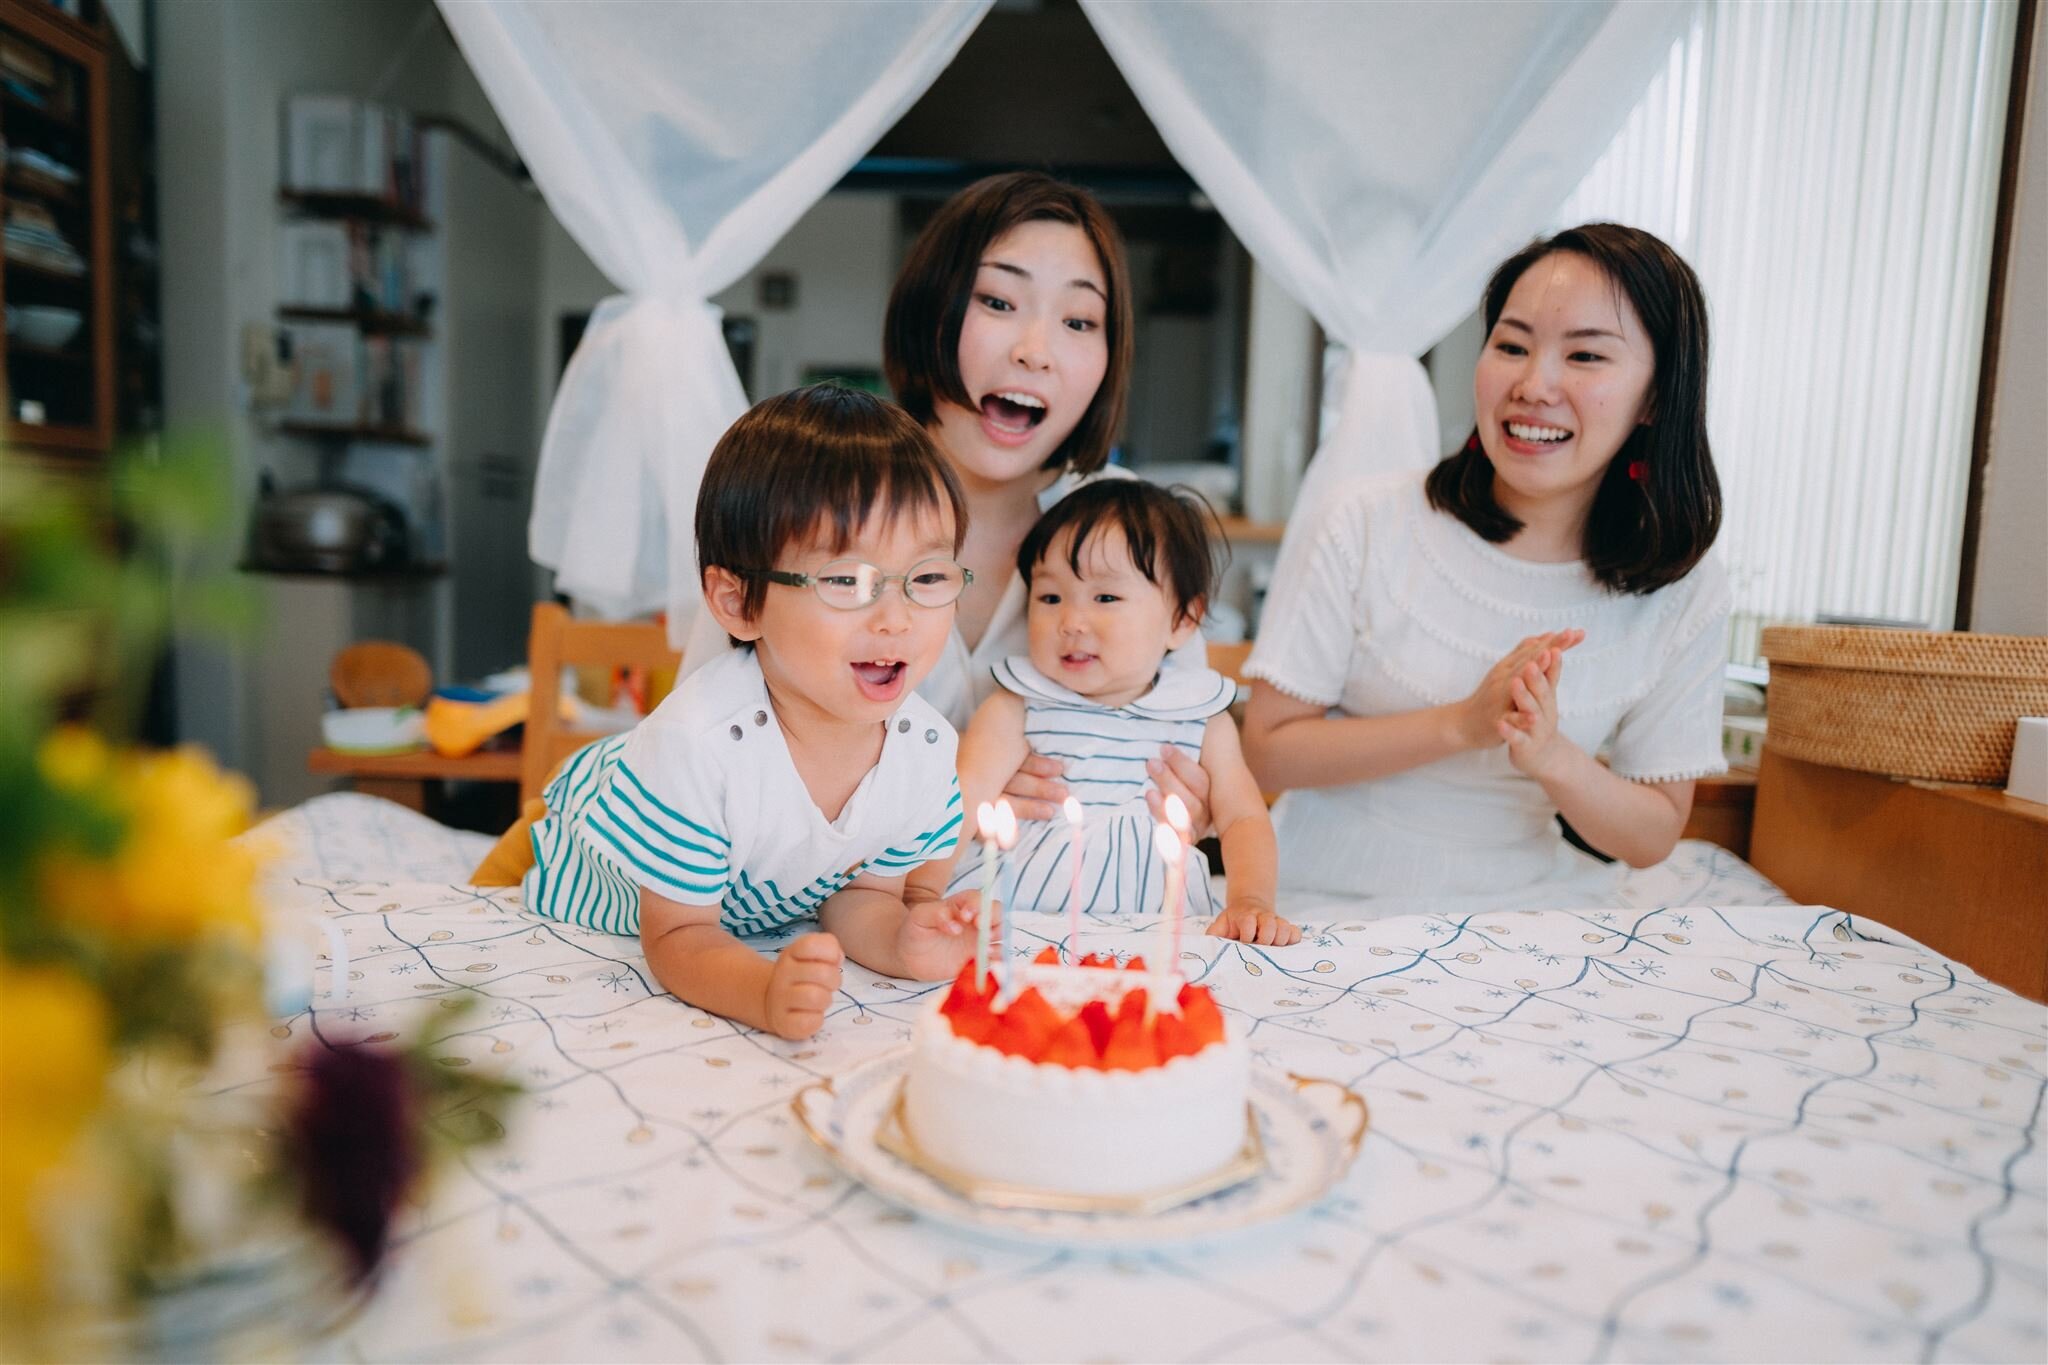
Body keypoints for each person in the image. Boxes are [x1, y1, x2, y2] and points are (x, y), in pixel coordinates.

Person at [684, 172, 1210, 826]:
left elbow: (1190, 757)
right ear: (929, 309)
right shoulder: (812, 488)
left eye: (1079, 319)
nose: (1034, 351)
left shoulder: (1131, 532)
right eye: (997, 301)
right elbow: (699, 746)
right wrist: (958, 790)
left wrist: (1193, 792)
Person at [1240, 223, 1728, 906]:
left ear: (1655, 396)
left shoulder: (1682, 587)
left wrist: (1554, 758)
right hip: (1320, 897)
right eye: (1512, 345)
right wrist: (1461, 724)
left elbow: (1651, 836)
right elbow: (1266, 746)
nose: (1533, 384)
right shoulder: (1364, 522)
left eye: (1585, 356)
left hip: (1529, 914)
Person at [522, 384, 992, 1039]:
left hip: (726, 899)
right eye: (846, 581)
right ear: (739, 602)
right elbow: (681, 935)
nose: (896, 617)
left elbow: (860, 896)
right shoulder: (699, 746)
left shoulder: (924, 755)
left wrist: (906, 942)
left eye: (930, 577)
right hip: (572, 849)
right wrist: (761, 991)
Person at [935, 480, 1298, 946]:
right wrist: (922, 893)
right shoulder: (1016, 705)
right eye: (1050, 598)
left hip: (1161, 930)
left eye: (1105, 598)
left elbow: (1244, 818)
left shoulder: (1200, 718)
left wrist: (1251, 901)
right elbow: (962, 803)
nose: (1071, 622)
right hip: (1021, 920)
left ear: (1182, 620)